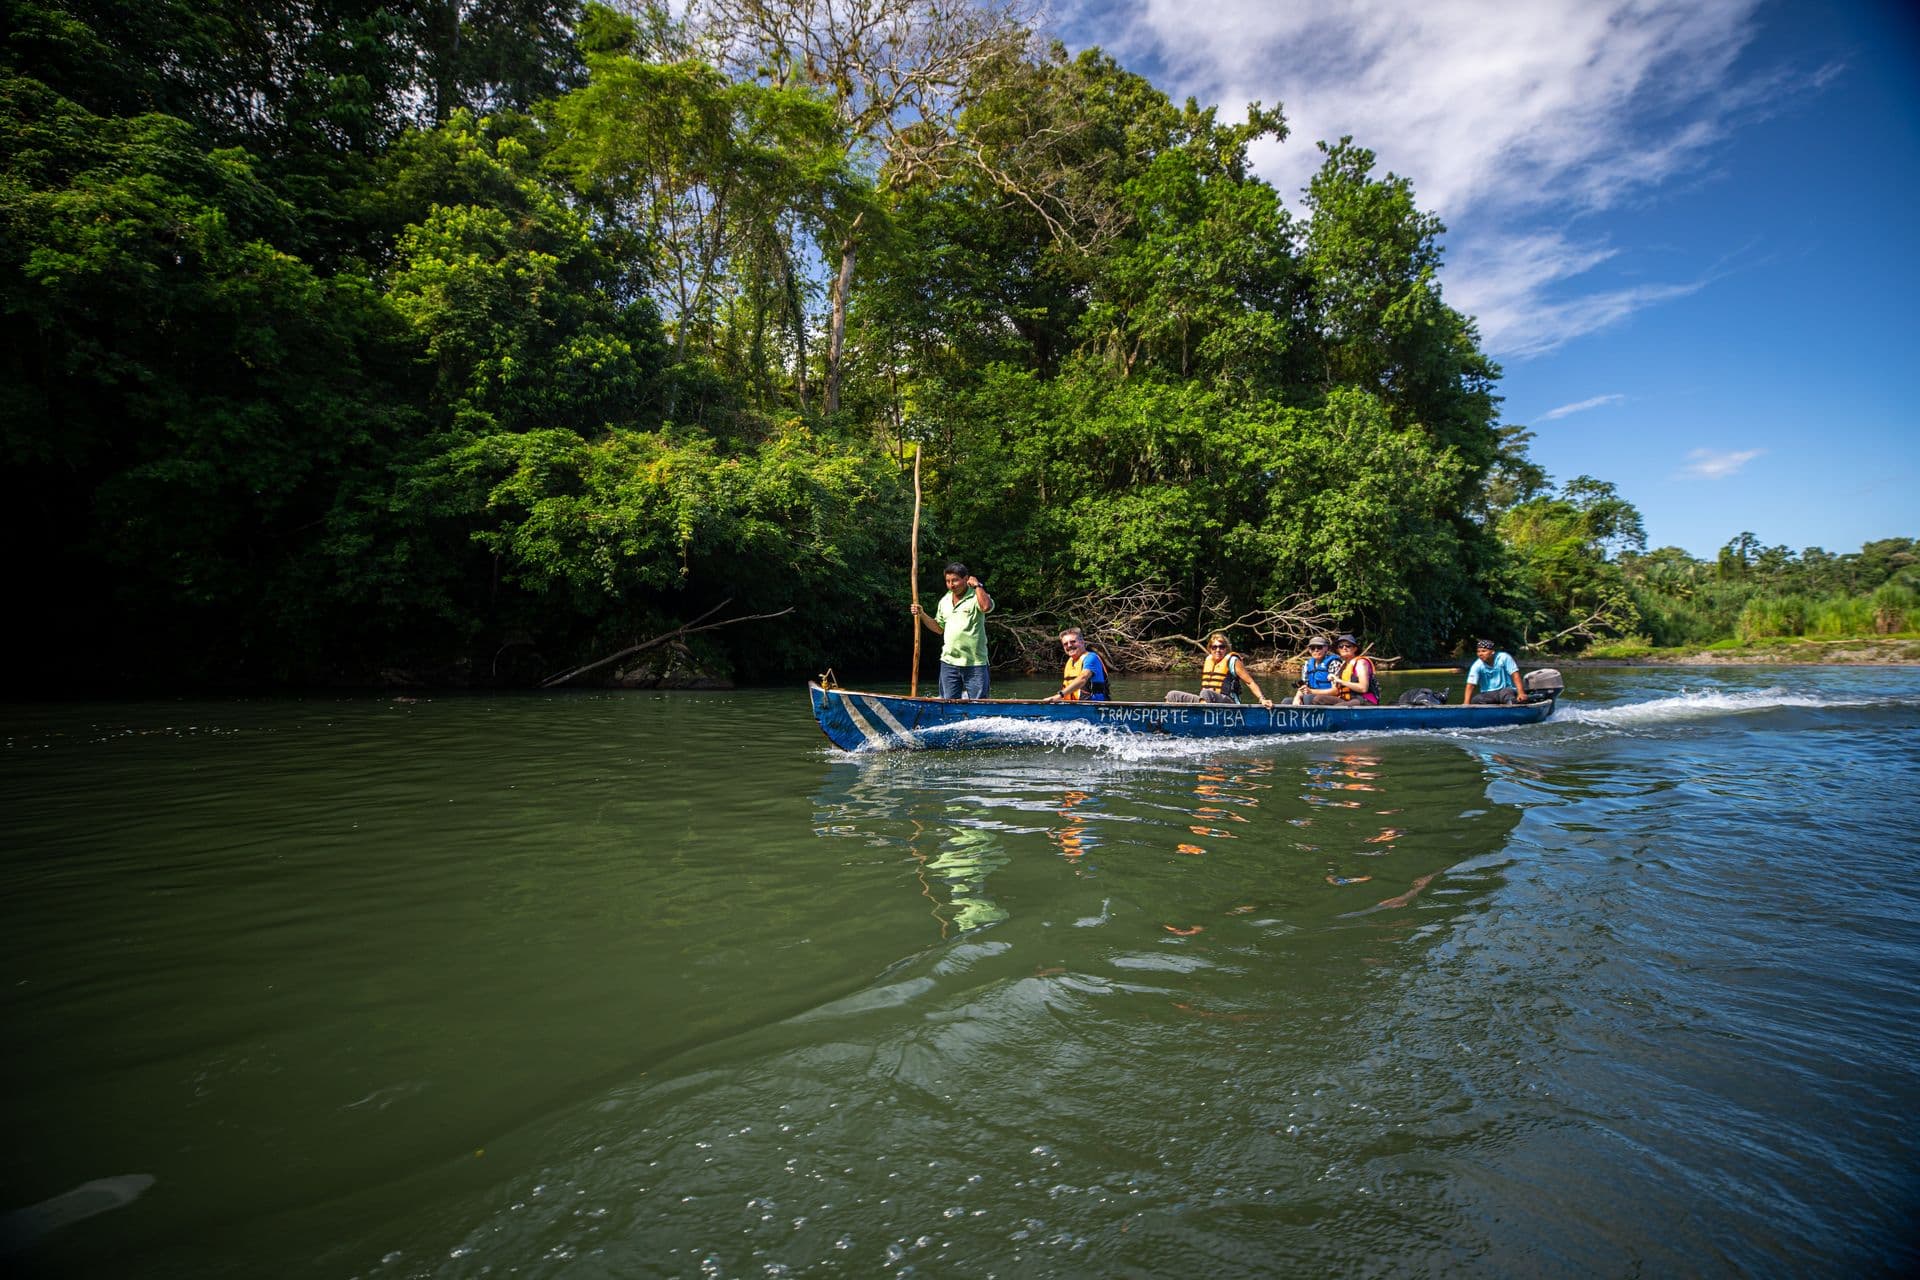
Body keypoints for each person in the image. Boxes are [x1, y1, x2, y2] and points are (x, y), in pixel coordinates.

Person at [911, 562, 993, 699]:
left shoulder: (976, 596)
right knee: (947, 703)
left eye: (955, 580)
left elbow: (986, 607)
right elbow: (938, 629)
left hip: (975, 663)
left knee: (980, 704)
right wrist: (922, 614)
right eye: (948, 581)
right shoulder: (944, 601)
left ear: (966, 579)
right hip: (949, 662)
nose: (951, 585)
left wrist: (977, 586)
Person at [1166, 632, 1273, 708]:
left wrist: (1262, 699)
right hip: (1206, 699)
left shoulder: (1233, 661)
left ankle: (1201, 718)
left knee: (1206, 693)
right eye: (1214, 647)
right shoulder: (1208, 660)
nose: (1218, 650)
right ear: (1210, 649)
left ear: (1226, 648)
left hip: (1228, 702)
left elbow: (1250, 682)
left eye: (1221, 647)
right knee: (1172, 695)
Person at [1046, 627, 1110, 702]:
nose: (1069, 645)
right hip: (1074, 706)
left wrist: (1059, 695)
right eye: (1065, 644)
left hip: (1095, 706)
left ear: (1082, 642)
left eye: (1073, 641)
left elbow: (1083, 678)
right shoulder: (1070, 661)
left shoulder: (1091, 658)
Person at [1463, 639, 1527, 705]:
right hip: (1488, 694)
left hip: (1505, 690)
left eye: (1484, 651)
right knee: (1475, 700)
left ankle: (1512, 708)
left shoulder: (1504, 658)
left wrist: (1521, 693)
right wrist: (1466, 703)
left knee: (1508, 696)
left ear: (1492, 652)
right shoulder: (1477, 665)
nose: (1480, 654)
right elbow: (1470, 685)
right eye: (1478, 652)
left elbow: (1515, 675)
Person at [1330, 634, 1379, 705]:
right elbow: (1336, 690)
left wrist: (1340, 681)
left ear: (1355, 649)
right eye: (1341, 646)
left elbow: (1363, 688)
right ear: (1338, 650)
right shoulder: (1342, 666)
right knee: (1318, 699)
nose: (1344, 648)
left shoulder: (1361, 663)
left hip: (1364, 699)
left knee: (1339, 707)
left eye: (1348, 646)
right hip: (1347, 699)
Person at [1293, 635, 1341, 704]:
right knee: (1287, 701)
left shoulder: (1334, 663)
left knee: (1308, 697)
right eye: (1312, 648)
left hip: (1330, 698)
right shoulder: (1307, 665)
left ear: (1326, 648)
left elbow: (1336, 691)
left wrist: (1311, 691)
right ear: (1309, 650)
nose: (1316, 650)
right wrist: (1297, 697)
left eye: (1319, 647)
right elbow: (1303, 687)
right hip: (1311, 696)